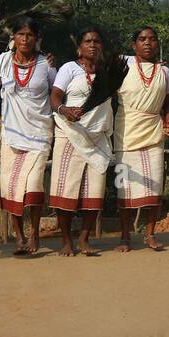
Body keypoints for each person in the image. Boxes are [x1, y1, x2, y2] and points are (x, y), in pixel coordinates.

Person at [0, 18, 55, 255]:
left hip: (39, 133)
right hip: (11, 133)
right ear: (14, 38)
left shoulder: (46, 65)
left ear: (36, 39)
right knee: (10, 186)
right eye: (20, 34)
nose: (25, 39)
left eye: (30, 34)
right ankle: (19, 237)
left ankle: (35, 235)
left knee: (33, 184)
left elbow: (56, 93)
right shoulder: (2, 62)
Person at [50, 27, 114, 256]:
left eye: (97, 41)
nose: (93, 45)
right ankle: (67, 241)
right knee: (65, 189)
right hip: (71, 133)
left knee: (94, 191)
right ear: (79, 47)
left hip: (98, 136)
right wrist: (64, 109)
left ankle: (84, 239)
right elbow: (55, 96)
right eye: (88, 41)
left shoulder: (108, 71)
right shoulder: (69, 68)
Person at [113, 27, 169, 252]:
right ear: (134, 45)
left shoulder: (165, 72)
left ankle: (150, 234)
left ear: (157, 44)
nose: (147, 43)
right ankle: (124, 237)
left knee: (153, 185)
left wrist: (168, 123)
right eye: (142, 39)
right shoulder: (123, 66)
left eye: (152, 39)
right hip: (126, 132)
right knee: (124, 187)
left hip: (153, 132)